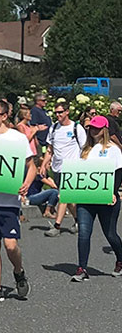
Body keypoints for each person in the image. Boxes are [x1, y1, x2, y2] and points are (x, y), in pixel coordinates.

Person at [0, 98, 36, 303]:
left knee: (11, 245)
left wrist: (26, 184)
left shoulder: (17, 139)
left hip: (9, 202)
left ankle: (19, 271)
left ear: (4, 116)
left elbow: (32, 166)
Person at [69, 115, 122, 282]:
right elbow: (79, 173)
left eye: (97, 128)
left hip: (106, 198)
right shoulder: (85, 150)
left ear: (104, 129)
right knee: (83, 233)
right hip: (87, 198)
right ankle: (82, 268)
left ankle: (120, 260)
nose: (93, 130)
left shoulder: (113, 149)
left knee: (110, 234)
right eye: (91, 127)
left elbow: (118, 173)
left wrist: (113, 192)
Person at [42, 102, 86, 236]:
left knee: (63, 196)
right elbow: (50, 149)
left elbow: (85, 148)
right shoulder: (54, 128)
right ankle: (79, 221)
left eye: (60, 112)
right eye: (56, 112)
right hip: (57, 168)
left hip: (72, 168)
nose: (58, 115)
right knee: (70, 200)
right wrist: (44, 164)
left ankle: (57, 226)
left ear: (67, 112)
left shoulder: (76, 128)